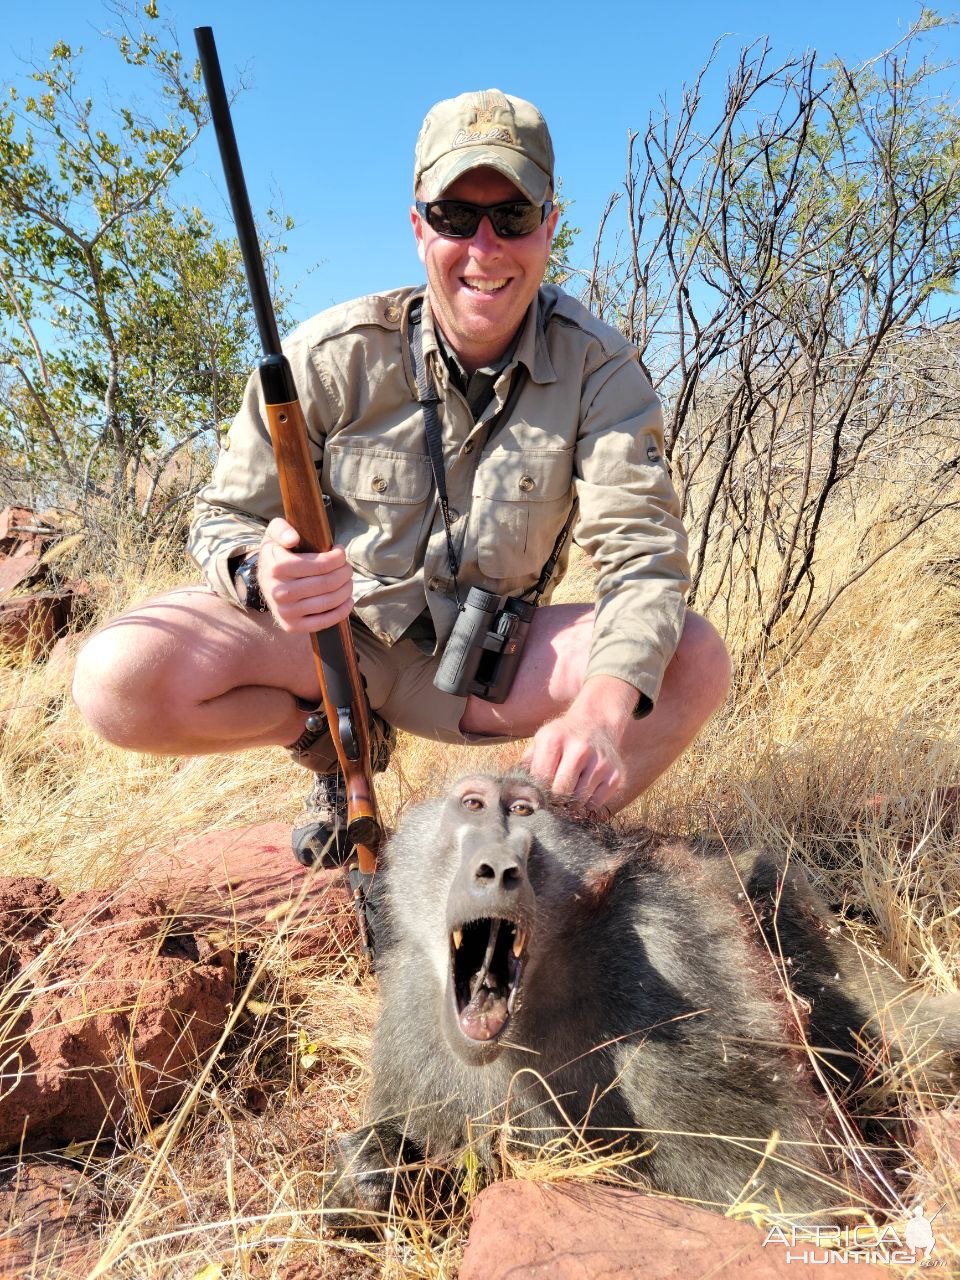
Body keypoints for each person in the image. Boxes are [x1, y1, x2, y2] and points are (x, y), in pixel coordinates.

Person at [72, 88, 731, 872]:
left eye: (513, 217)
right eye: (456, 216)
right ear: (419, 225)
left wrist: (600, 708)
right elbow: (223, 518)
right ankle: (330, 746)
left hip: (485, 658)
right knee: (117, 678)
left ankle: (515, 848)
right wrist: (262, 574)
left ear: (550, 225)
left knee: (692, 658)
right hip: (330, 641)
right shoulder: (329, 355)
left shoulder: (602, 370)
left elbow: (643, 560)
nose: (484, 247)